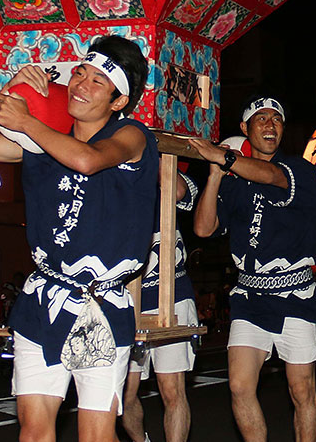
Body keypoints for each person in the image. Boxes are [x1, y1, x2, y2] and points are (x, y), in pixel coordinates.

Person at [0, 35, 157, 442]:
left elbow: (88, 160)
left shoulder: (132, 136)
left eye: (98, 81)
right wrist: (8, 91)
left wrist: (27, 121)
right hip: (44, 299)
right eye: (80, 73)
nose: (81, 84)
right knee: (33, 431)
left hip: (99, 304)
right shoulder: (42, 142)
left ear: (119, 101)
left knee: (96, 436)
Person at [193, 97, 316, 442]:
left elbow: (270, 175)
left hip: (295, 293)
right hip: (250, 296)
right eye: (261, 119)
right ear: (245, 130)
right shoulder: (234, 180)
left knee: (301, 388)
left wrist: (222, 156)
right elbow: (204, 229)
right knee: (238, 386)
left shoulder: (299, 169)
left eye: (276, 119)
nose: (270, 125)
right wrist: (216, 176)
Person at [123, 169, 200, 442]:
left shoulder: (165, 175)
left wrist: (150, 144)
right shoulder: (115, 182)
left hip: (173, 294)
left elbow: (180, 192)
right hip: (127, 300)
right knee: (124, 393)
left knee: (172, 388)